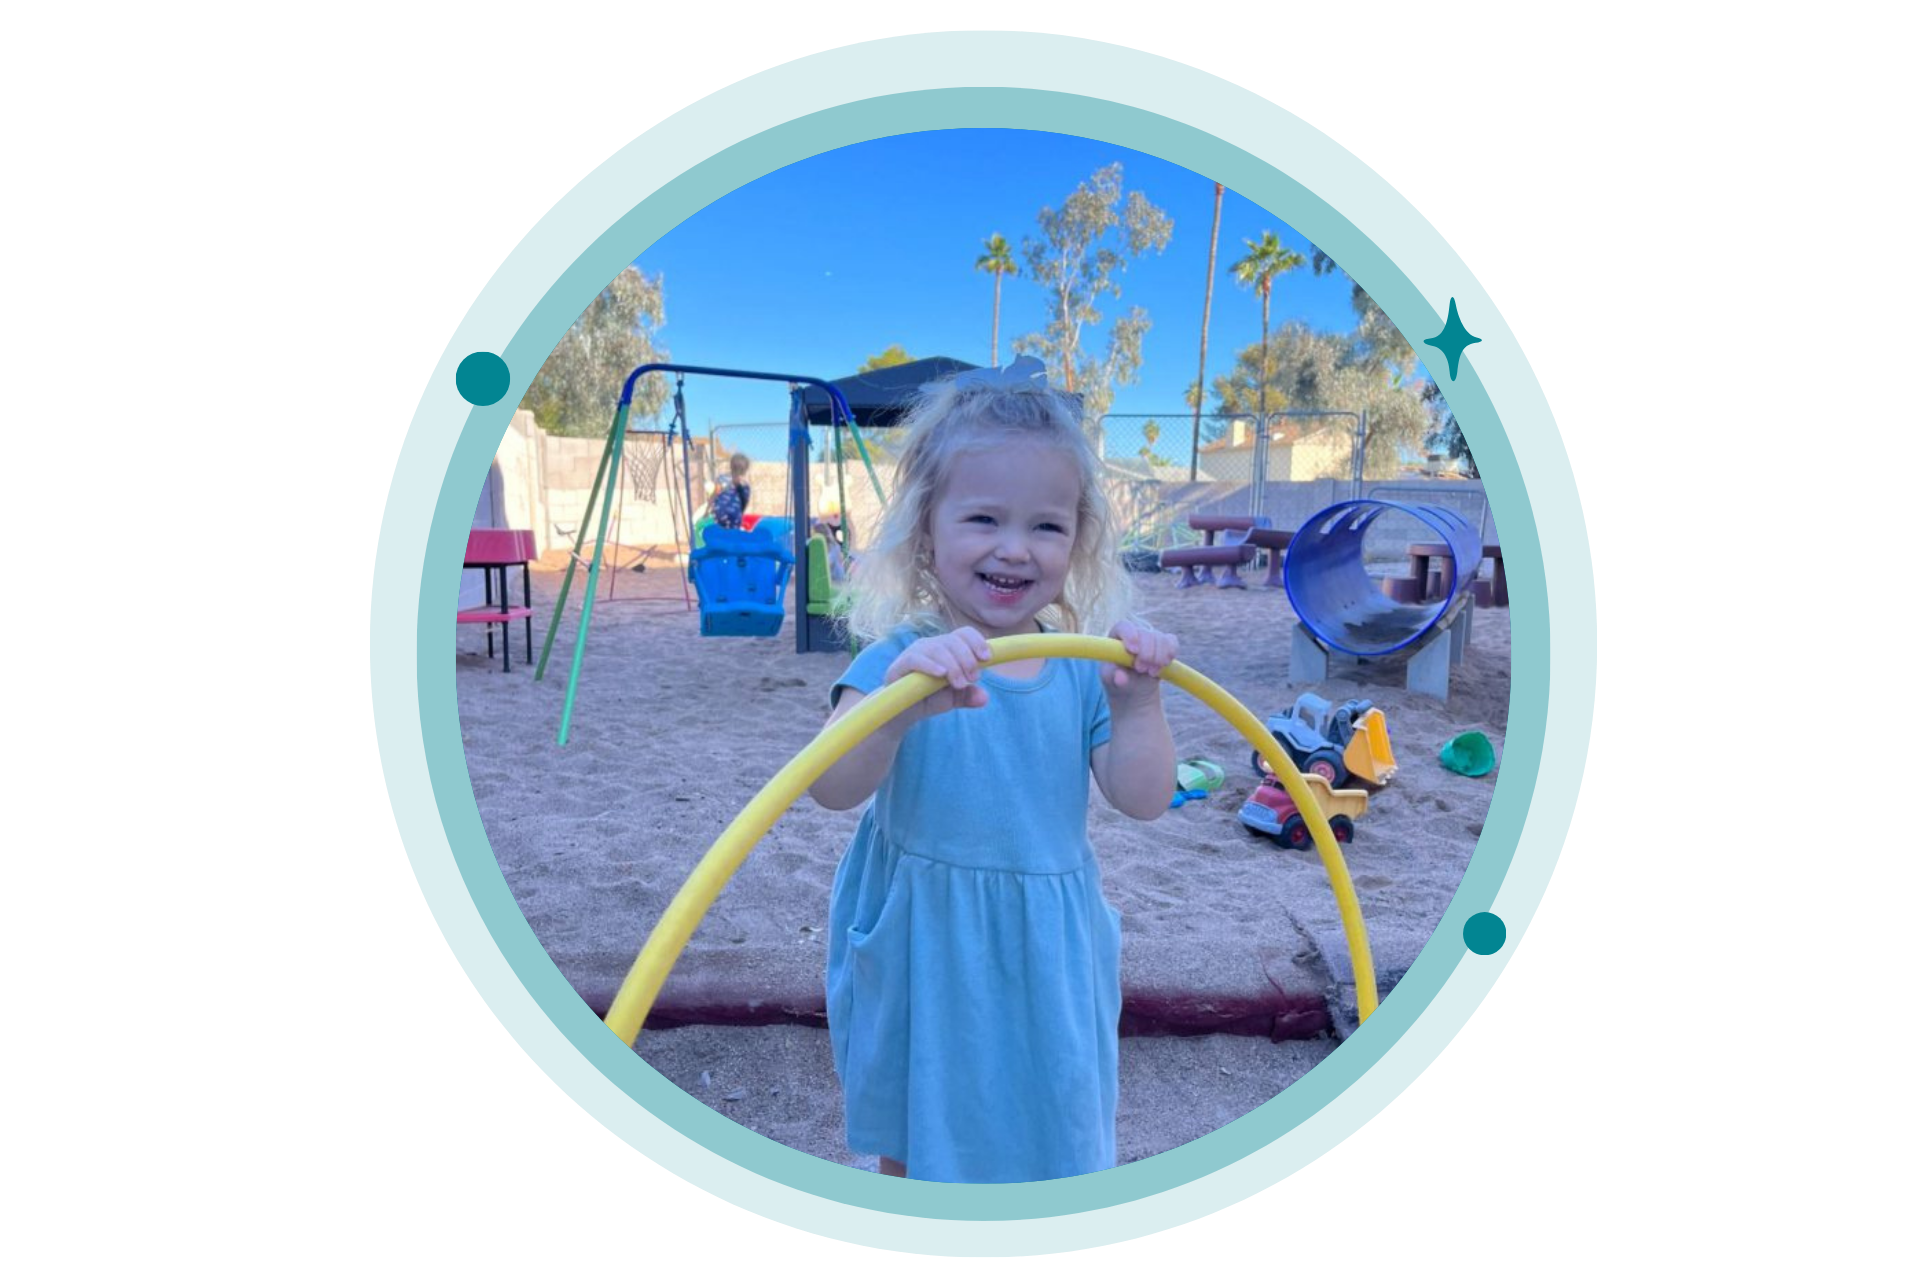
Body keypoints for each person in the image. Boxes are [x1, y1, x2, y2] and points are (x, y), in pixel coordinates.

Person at [806, 355, 1178, 1183]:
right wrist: (896, 708)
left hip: (1049, 938)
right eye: (983, 519)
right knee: (919, 1124)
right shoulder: (902, 658)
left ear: (1077, 540)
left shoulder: (1083, 663)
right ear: (926, 531)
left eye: (1046, 525)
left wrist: (1139, 708)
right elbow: (830, 787)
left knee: (1058, 1124)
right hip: (926, 938)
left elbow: (1144, 799)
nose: (1015, 549)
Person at [711, 452, 752, 529]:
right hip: (733, 516)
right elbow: (744, 503)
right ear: (745, 470)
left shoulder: (722, 478)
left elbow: (714, 495)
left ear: (731, 466)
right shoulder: (745, 485)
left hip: (719, 515)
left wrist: (708, 510)